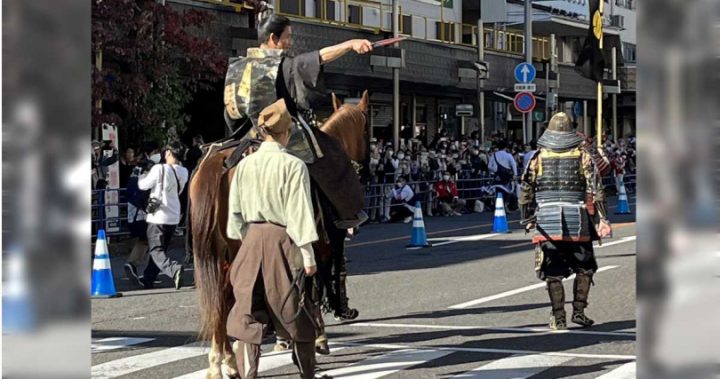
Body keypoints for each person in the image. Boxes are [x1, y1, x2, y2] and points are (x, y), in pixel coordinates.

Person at [225, 99, 319, 379]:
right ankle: (306, 374)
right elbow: (299, 213)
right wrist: (309, 255)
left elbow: (235, 214)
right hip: (284, 240)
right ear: (286, 133)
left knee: (247, 312)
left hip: (251, 239)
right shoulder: (294, 165)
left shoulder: (244, 165)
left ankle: (248, 374)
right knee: (295, 309)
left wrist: (247, 243)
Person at [519, 112, 612, 330]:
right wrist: (603, 218)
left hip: (547, 218)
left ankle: (558, 317)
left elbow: (525, 189)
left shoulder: (537, 157)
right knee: (585, 267)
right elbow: (596, 188)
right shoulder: (583, 155)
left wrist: (527, 218)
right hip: (577, 216)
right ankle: (578, 312)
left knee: (552, 271)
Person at [127, 142, 189, 290]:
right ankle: (149, 279)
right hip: (174, 216)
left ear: (168, 153)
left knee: (156, 250)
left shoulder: (159, 168)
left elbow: (143, 185)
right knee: (161, 250)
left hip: (158, 216)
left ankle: (173, 269)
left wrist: (142, 174)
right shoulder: (184, 171)